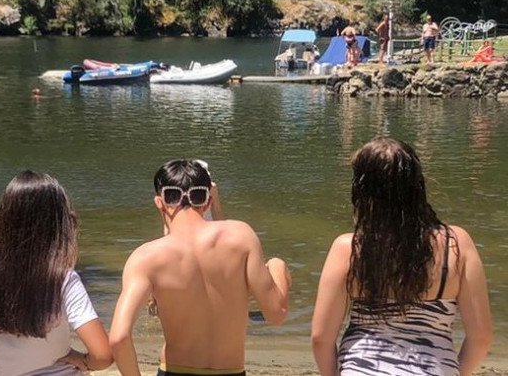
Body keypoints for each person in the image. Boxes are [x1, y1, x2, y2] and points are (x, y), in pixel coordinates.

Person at [311, 138, 493, 376]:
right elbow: (481, 337)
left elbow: (320, 338)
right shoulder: (456, 245)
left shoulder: (349, 249)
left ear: (362, 189)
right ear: (417, 184)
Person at [109, 159, 291, 376]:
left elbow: (119, 337)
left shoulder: (146, 258)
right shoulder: (241, 236)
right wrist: (278, 267)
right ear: (207, 201)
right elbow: (277, 315)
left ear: (159, 202)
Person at [0, 171, 113, 375]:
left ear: (5, 215)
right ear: (58, 223)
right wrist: (82, 360)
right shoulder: (62, 279)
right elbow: (103, 356)